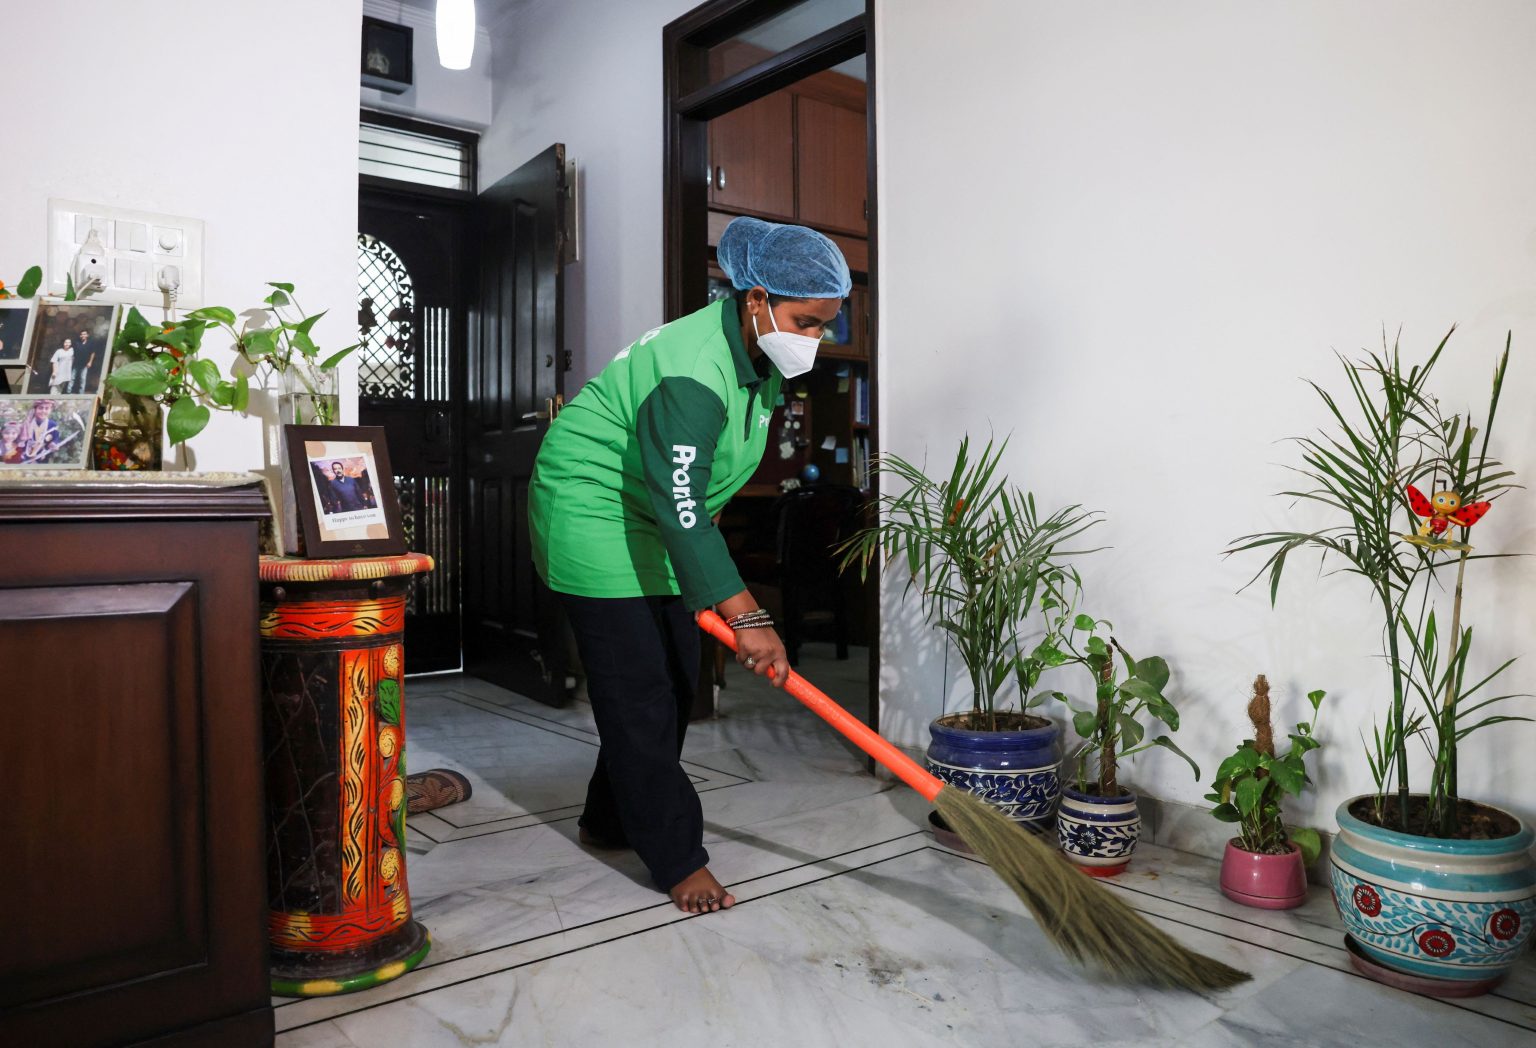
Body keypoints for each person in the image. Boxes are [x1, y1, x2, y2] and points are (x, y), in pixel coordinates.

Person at [528, 216, 849, 914]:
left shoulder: (755, 357)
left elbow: (689, 495)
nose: (815, 339)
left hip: (657, 515)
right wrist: (749, 614)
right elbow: (681, 501)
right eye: (807, 320)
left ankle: (607, 820)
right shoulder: (694, 368)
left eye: (826, 325)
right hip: (595, 513)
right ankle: (677, 858)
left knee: (673, 681)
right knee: (640, 695)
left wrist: (723, 591)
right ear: (756, 298)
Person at [21, 399, 60, 463]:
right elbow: (22, 442)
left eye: (47, 408)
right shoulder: (27, 423)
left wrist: (53, 444)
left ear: (50, 410)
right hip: (26, 457)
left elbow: (56, 438)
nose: (43, 411)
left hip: (43, 457)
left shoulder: (53, 425)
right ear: (35, 409)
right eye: (40, 408)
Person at [72, 328, 97, 394]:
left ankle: (81, 393)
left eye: (84, 334)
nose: (83, 335)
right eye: (82, 334)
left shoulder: (90, 343)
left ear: (87, 335)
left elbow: (92, 353)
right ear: (80, 336)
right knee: (72, 378)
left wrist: (90, 362)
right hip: (76, 363)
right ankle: (69, 392)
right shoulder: (77, 343)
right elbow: (73, 353)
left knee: (83, 379)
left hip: (85, 364)